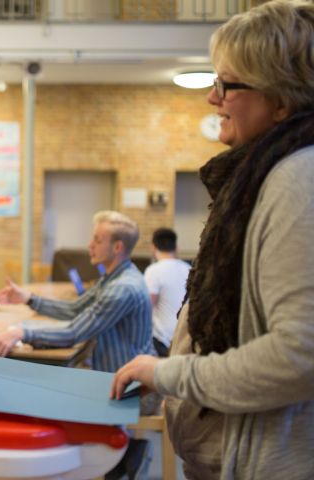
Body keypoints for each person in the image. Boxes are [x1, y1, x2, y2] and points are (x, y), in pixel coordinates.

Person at [111, 1, 314, 478]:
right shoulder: (261, 176)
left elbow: (299, 355)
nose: (212, 98)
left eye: (226, 84)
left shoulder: (295, 180)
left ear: (281, 99)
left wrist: (168, 373)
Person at [0, 210, 157, 480]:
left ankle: (121, 457)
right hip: (117, 377)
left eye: (97, 239)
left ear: (117, 247)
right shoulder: (114, 277)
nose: (90, 245)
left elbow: (75, 332)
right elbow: (76, 309)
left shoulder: (121, 288)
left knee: (46, 391)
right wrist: (29, 298)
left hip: (131, 388)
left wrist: (22, 332)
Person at [143, 228, 190, 357]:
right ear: (176, 247)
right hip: (185, 338)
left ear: (153, 247)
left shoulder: (153, 271)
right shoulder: (188, 269)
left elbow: (147, 307)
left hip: (162, 341)